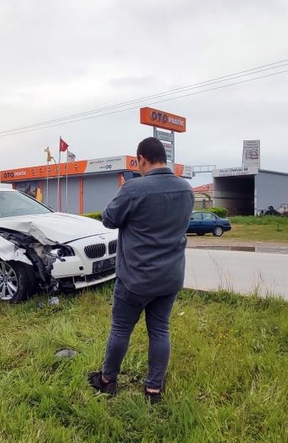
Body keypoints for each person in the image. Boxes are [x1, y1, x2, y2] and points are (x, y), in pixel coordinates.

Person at [88, 137, 194, 403]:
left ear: (142, 159)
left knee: (121, 329)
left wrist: (124, 191)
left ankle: (107, 380)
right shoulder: (186, 189)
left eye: (137, 163)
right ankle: (153, 390)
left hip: (135, 278)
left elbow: (109, 219)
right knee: (160, 330)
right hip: (170, 277)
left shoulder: (134, 189)